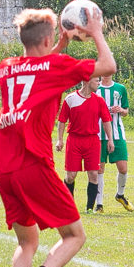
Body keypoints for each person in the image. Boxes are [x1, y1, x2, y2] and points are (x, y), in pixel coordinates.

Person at [0, 7, 116, 267]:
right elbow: (107, 66)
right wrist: (97, 31)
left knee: (27, 240)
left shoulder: (5, 67)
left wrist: (58, 45)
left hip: (3, 165)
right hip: (31, 162)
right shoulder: (55, 66)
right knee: (74, 235)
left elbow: (37, 69)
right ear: (48, 38)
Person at [55, 76, 114, 214]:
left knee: (94, 174)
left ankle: (89, 208)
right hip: (74, 140)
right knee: (70, 176)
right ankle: (68, 205)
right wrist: (60, 140)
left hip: (93, 141)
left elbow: (106, 121)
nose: (99, 83)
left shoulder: (99, 100)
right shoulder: (70, 99)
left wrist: (110, 139)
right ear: (87, 81)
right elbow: (62, 121)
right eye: (96, 81)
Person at [95, 74, 133, 213]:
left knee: (123, 168)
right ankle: (99, 205)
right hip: (99, 134)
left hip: (117, 134)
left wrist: (121, 110)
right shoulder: (95, 88)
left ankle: (120, 195)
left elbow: (126, 111)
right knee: (99, 169)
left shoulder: (120, 88)